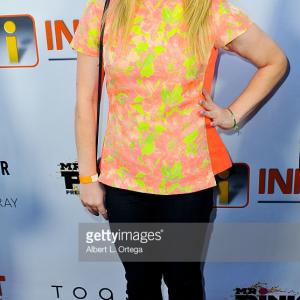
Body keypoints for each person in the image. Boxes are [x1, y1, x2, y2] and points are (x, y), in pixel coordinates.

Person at [70, 0, 287, 299]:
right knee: (140, 284)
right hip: (124, 181)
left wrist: (232, 115)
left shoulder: (206, 9)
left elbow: (274, 60)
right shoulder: (105, 7)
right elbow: (86, 99)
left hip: (187, 185)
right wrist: (86, 177)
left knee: (184, 283)